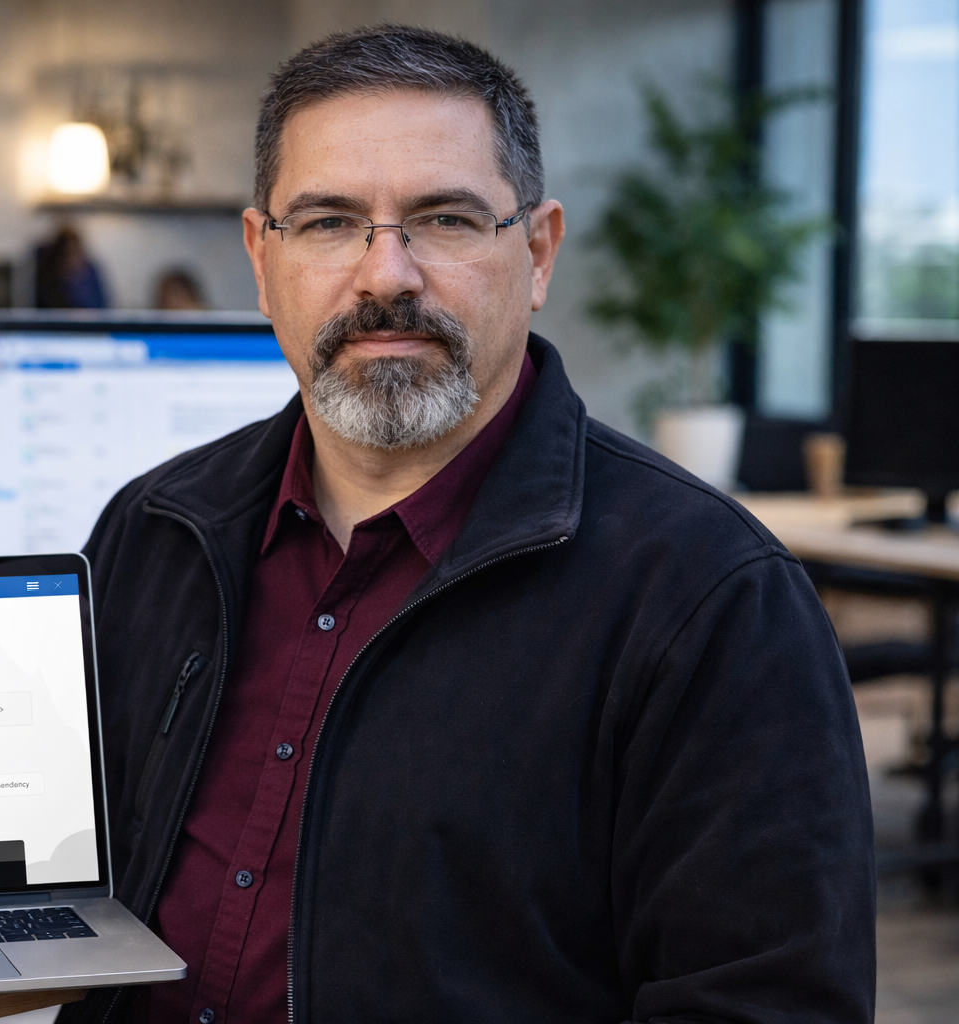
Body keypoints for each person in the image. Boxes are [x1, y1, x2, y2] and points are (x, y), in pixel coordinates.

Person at [71, 25, 874, 1024]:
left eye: (444, 219)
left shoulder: (711, 598)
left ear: (536, 253)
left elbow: (765, 1007)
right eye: (328, 223)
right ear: (261, 256)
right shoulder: (152, 533)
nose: (386, 275)